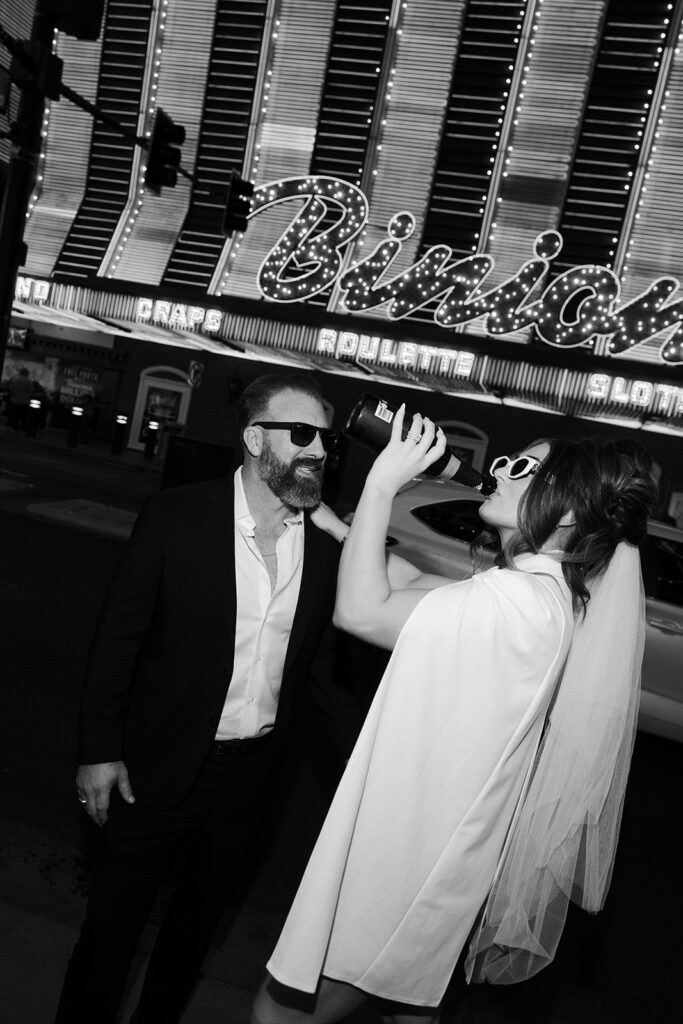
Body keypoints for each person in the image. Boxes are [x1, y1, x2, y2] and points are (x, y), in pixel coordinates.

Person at [252, 407, 659, 1024]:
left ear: (568, 512)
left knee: (278, 1015)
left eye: (523, 467)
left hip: (408, 867)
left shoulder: (516, 601)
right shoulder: (538, 593)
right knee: (403, 1012)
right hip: (435, 860)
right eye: (505, 459)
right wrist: (340, 528)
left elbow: (363, 611)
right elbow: (409, 581)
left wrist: (383, 484)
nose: (500, 468)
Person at [55, 373, 361, 1024]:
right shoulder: (177, 517)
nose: (318, 451)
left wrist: (367, 772)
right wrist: (98, 750)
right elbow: (119, 641)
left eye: (326, 440)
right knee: (110, 933)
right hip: (152, 767)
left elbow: (322, 675)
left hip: (251, 782)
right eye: (300, 434)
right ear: (254, 439)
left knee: (192, 938)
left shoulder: (329, 551)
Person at [8, 366, 32, 431]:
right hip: (25, 402)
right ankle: (22, 429)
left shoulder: (15, 380)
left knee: (15, 416)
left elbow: (11, 390)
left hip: (15, 401)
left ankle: (14, 428)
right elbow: (30, 392)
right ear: (27, 373)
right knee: (24, 417)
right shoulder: (28, 381)